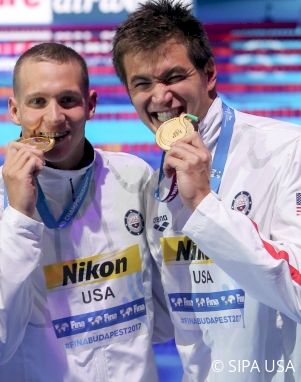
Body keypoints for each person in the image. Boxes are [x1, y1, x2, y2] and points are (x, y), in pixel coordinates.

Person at [0, 42, 173, 381]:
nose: (54, 117)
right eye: (37, 102)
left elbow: (163, 316)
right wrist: (18, 217)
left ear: (90, 105)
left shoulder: (131, 178)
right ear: (15, 110)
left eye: (67, 100)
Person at [112, 1, 301, 380]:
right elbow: (168, 321)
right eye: (142, 83)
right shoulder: (157, 185)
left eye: (173, 77)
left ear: (209, 73)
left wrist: (202, 203)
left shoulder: (286, 149)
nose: (160, 97)